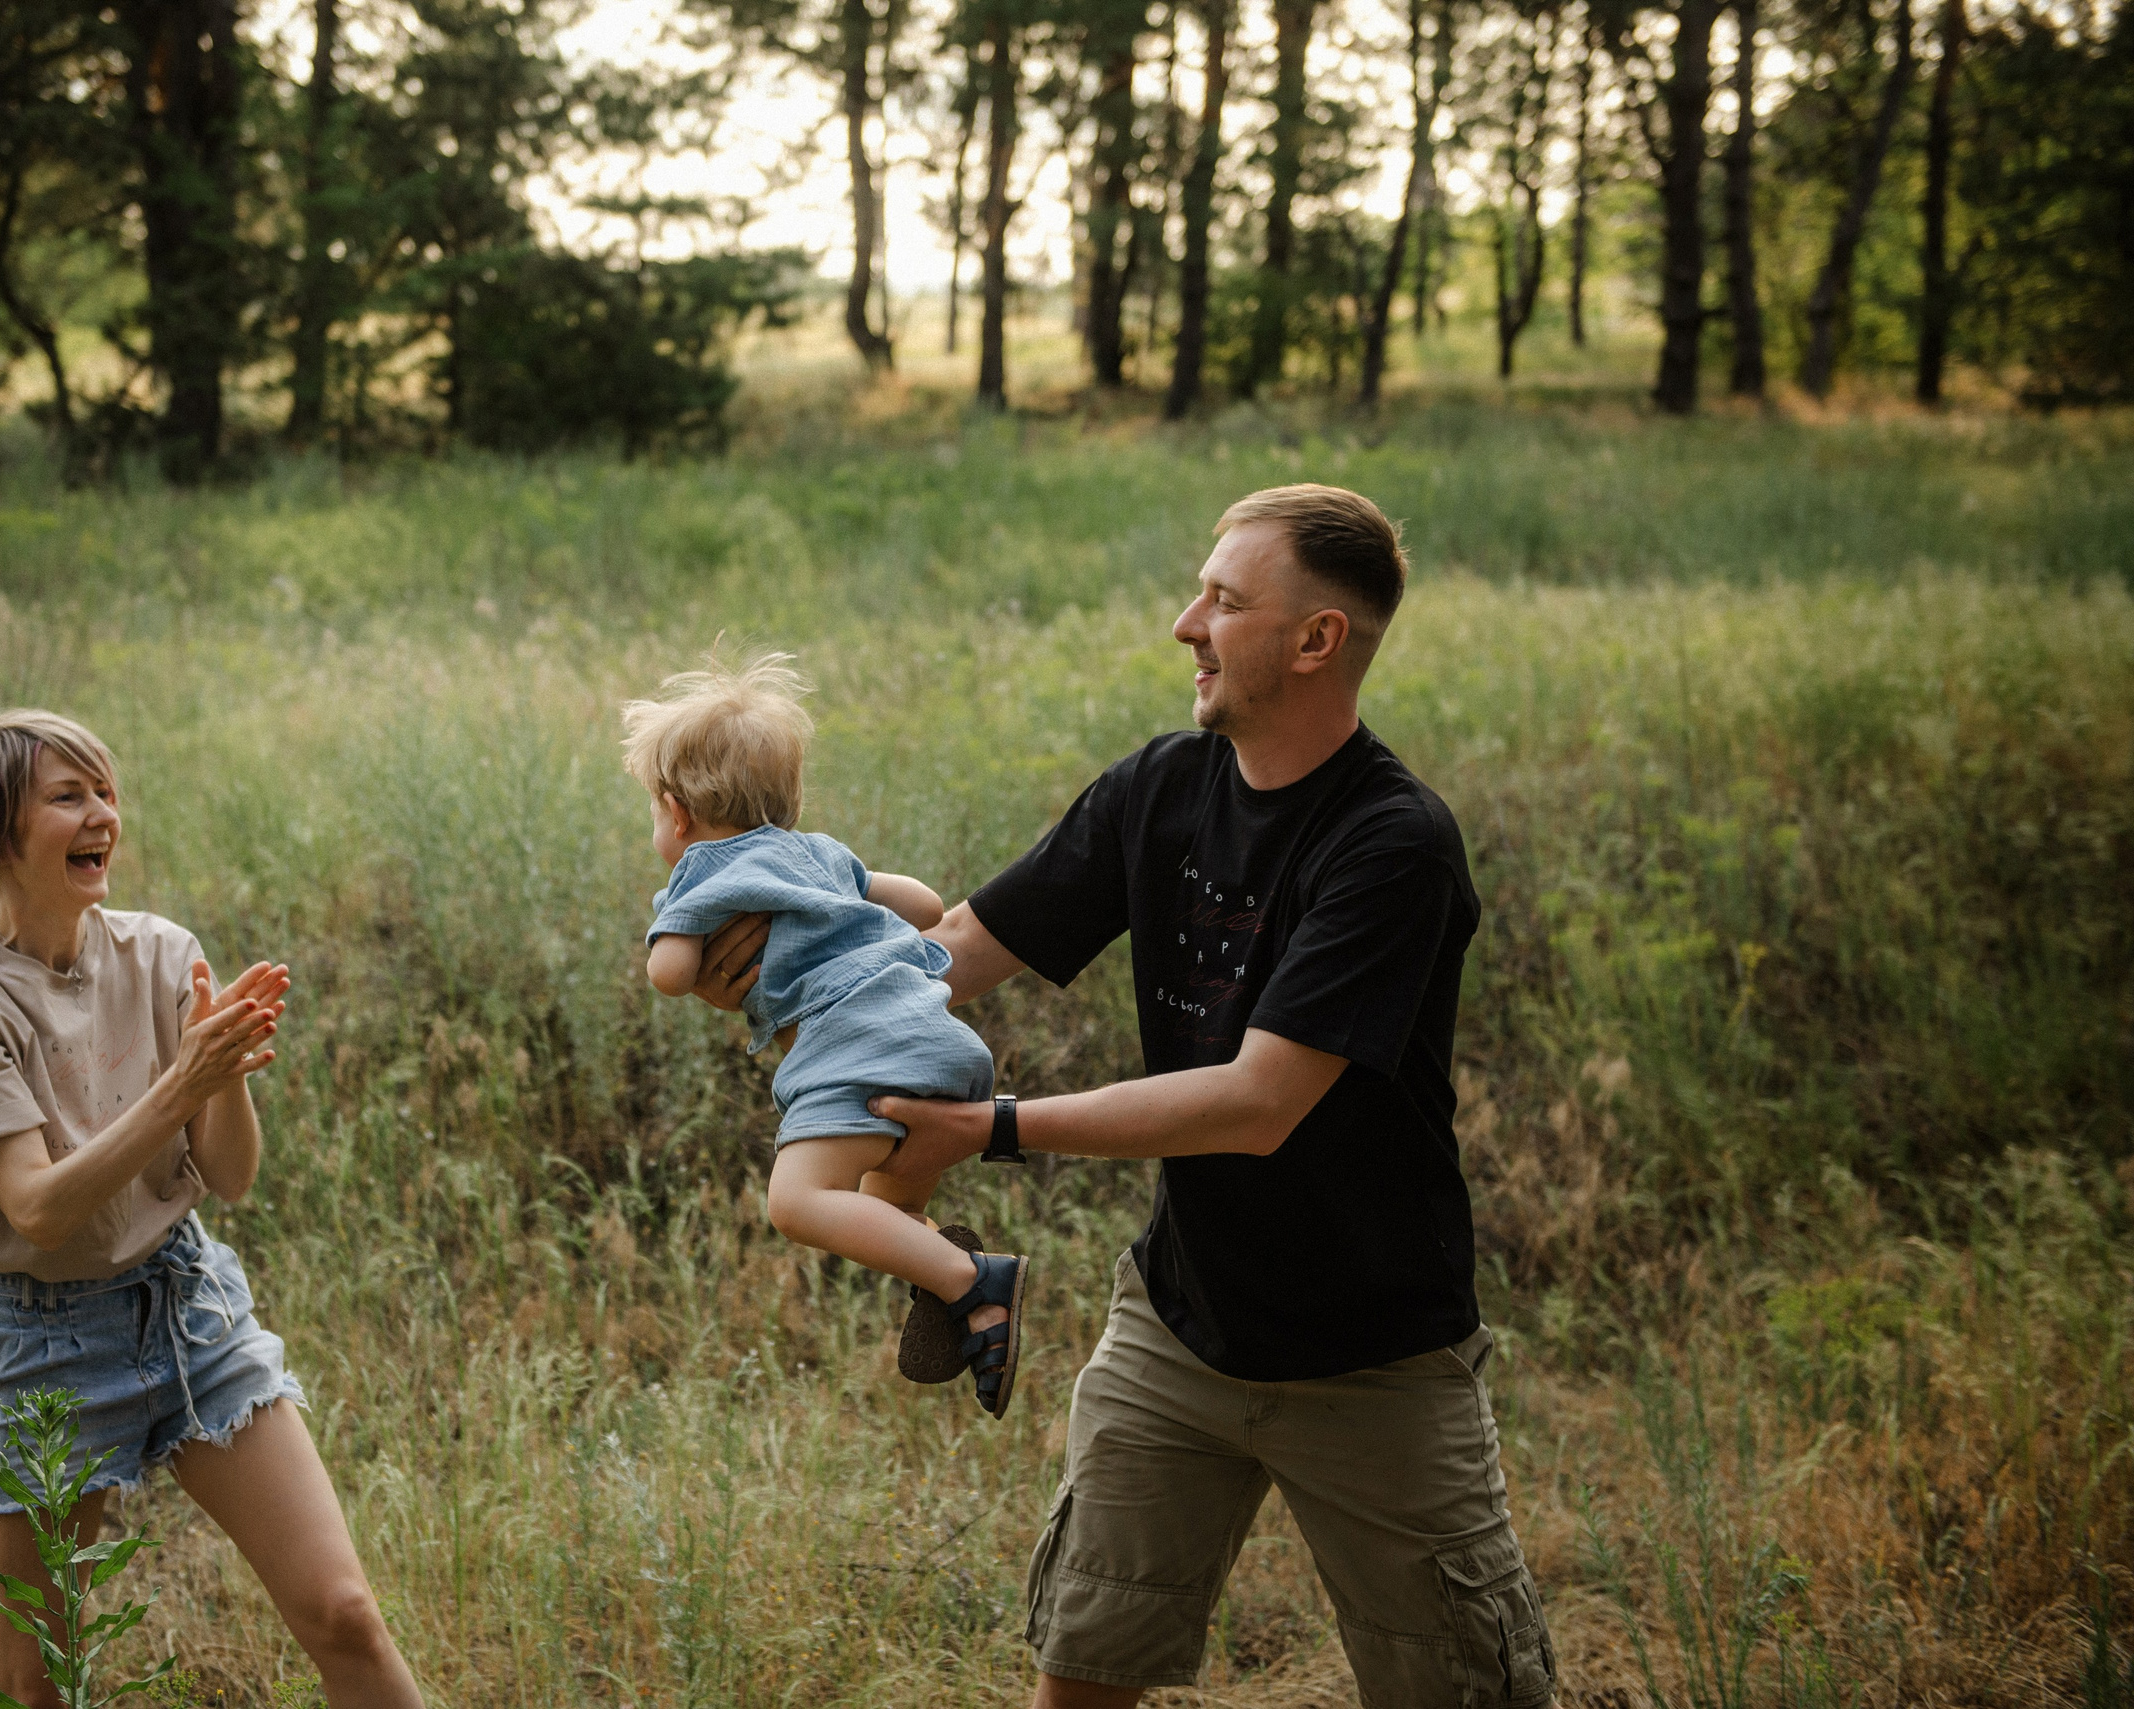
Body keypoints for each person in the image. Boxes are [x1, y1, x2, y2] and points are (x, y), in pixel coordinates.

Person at [696, 485, 1556, 1706]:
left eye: (1223, 598)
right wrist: (788, 943)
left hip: (1375, 1358)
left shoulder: (1390, 842)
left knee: (1467, 1693)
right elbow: (947, 955)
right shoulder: (1161, 788)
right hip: (1178, 1325)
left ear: (1315, 640)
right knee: (1080, 1677)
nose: (1183, 622)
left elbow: (1256, 1101)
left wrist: (987, 1129)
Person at [0, 709, 423, 1709]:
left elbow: (230, 1175)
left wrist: (222, 1071)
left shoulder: (159, 951)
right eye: (69, 796)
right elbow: (39, 1206)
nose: (104, 815)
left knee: (344, 1609)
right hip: (36, 1338)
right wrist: (182, 1083)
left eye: (106, 791)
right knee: (38, 1682)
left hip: (185, 1302)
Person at [624, 654, 1027, 1416]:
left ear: (676, 813)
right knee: (884, 1201)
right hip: (937, 1038)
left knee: (799, 1202)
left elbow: (672, 973)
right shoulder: (817, 853)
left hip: (856, 1051)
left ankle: (974, 1280)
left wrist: (675, 933)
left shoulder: (702, 870)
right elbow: (923, 901)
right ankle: (948, 1279)